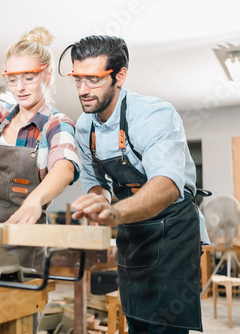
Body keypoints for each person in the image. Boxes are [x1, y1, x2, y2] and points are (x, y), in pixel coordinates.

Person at [60, 35, 209, 333]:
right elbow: (94, 181)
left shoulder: (153, 115)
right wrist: (99, 199)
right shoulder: (85, 126)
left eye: (93, 79)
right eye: (77, 80)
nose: (83, 90)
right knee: (137, 321)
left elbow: (167, 185)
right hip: (133, 233)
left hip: (173, 231)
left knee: (164, 326)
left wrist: (115, 214)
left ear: (120, 76)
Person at [0, 27, 80, 332]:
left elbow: (64, 166)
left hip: (23, 245)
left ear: (47, 75)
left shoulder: (54, 124)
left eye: (29, 77)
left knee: (13, 322)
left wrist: (35, 200)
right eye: (12, 79)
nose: (19, 87)